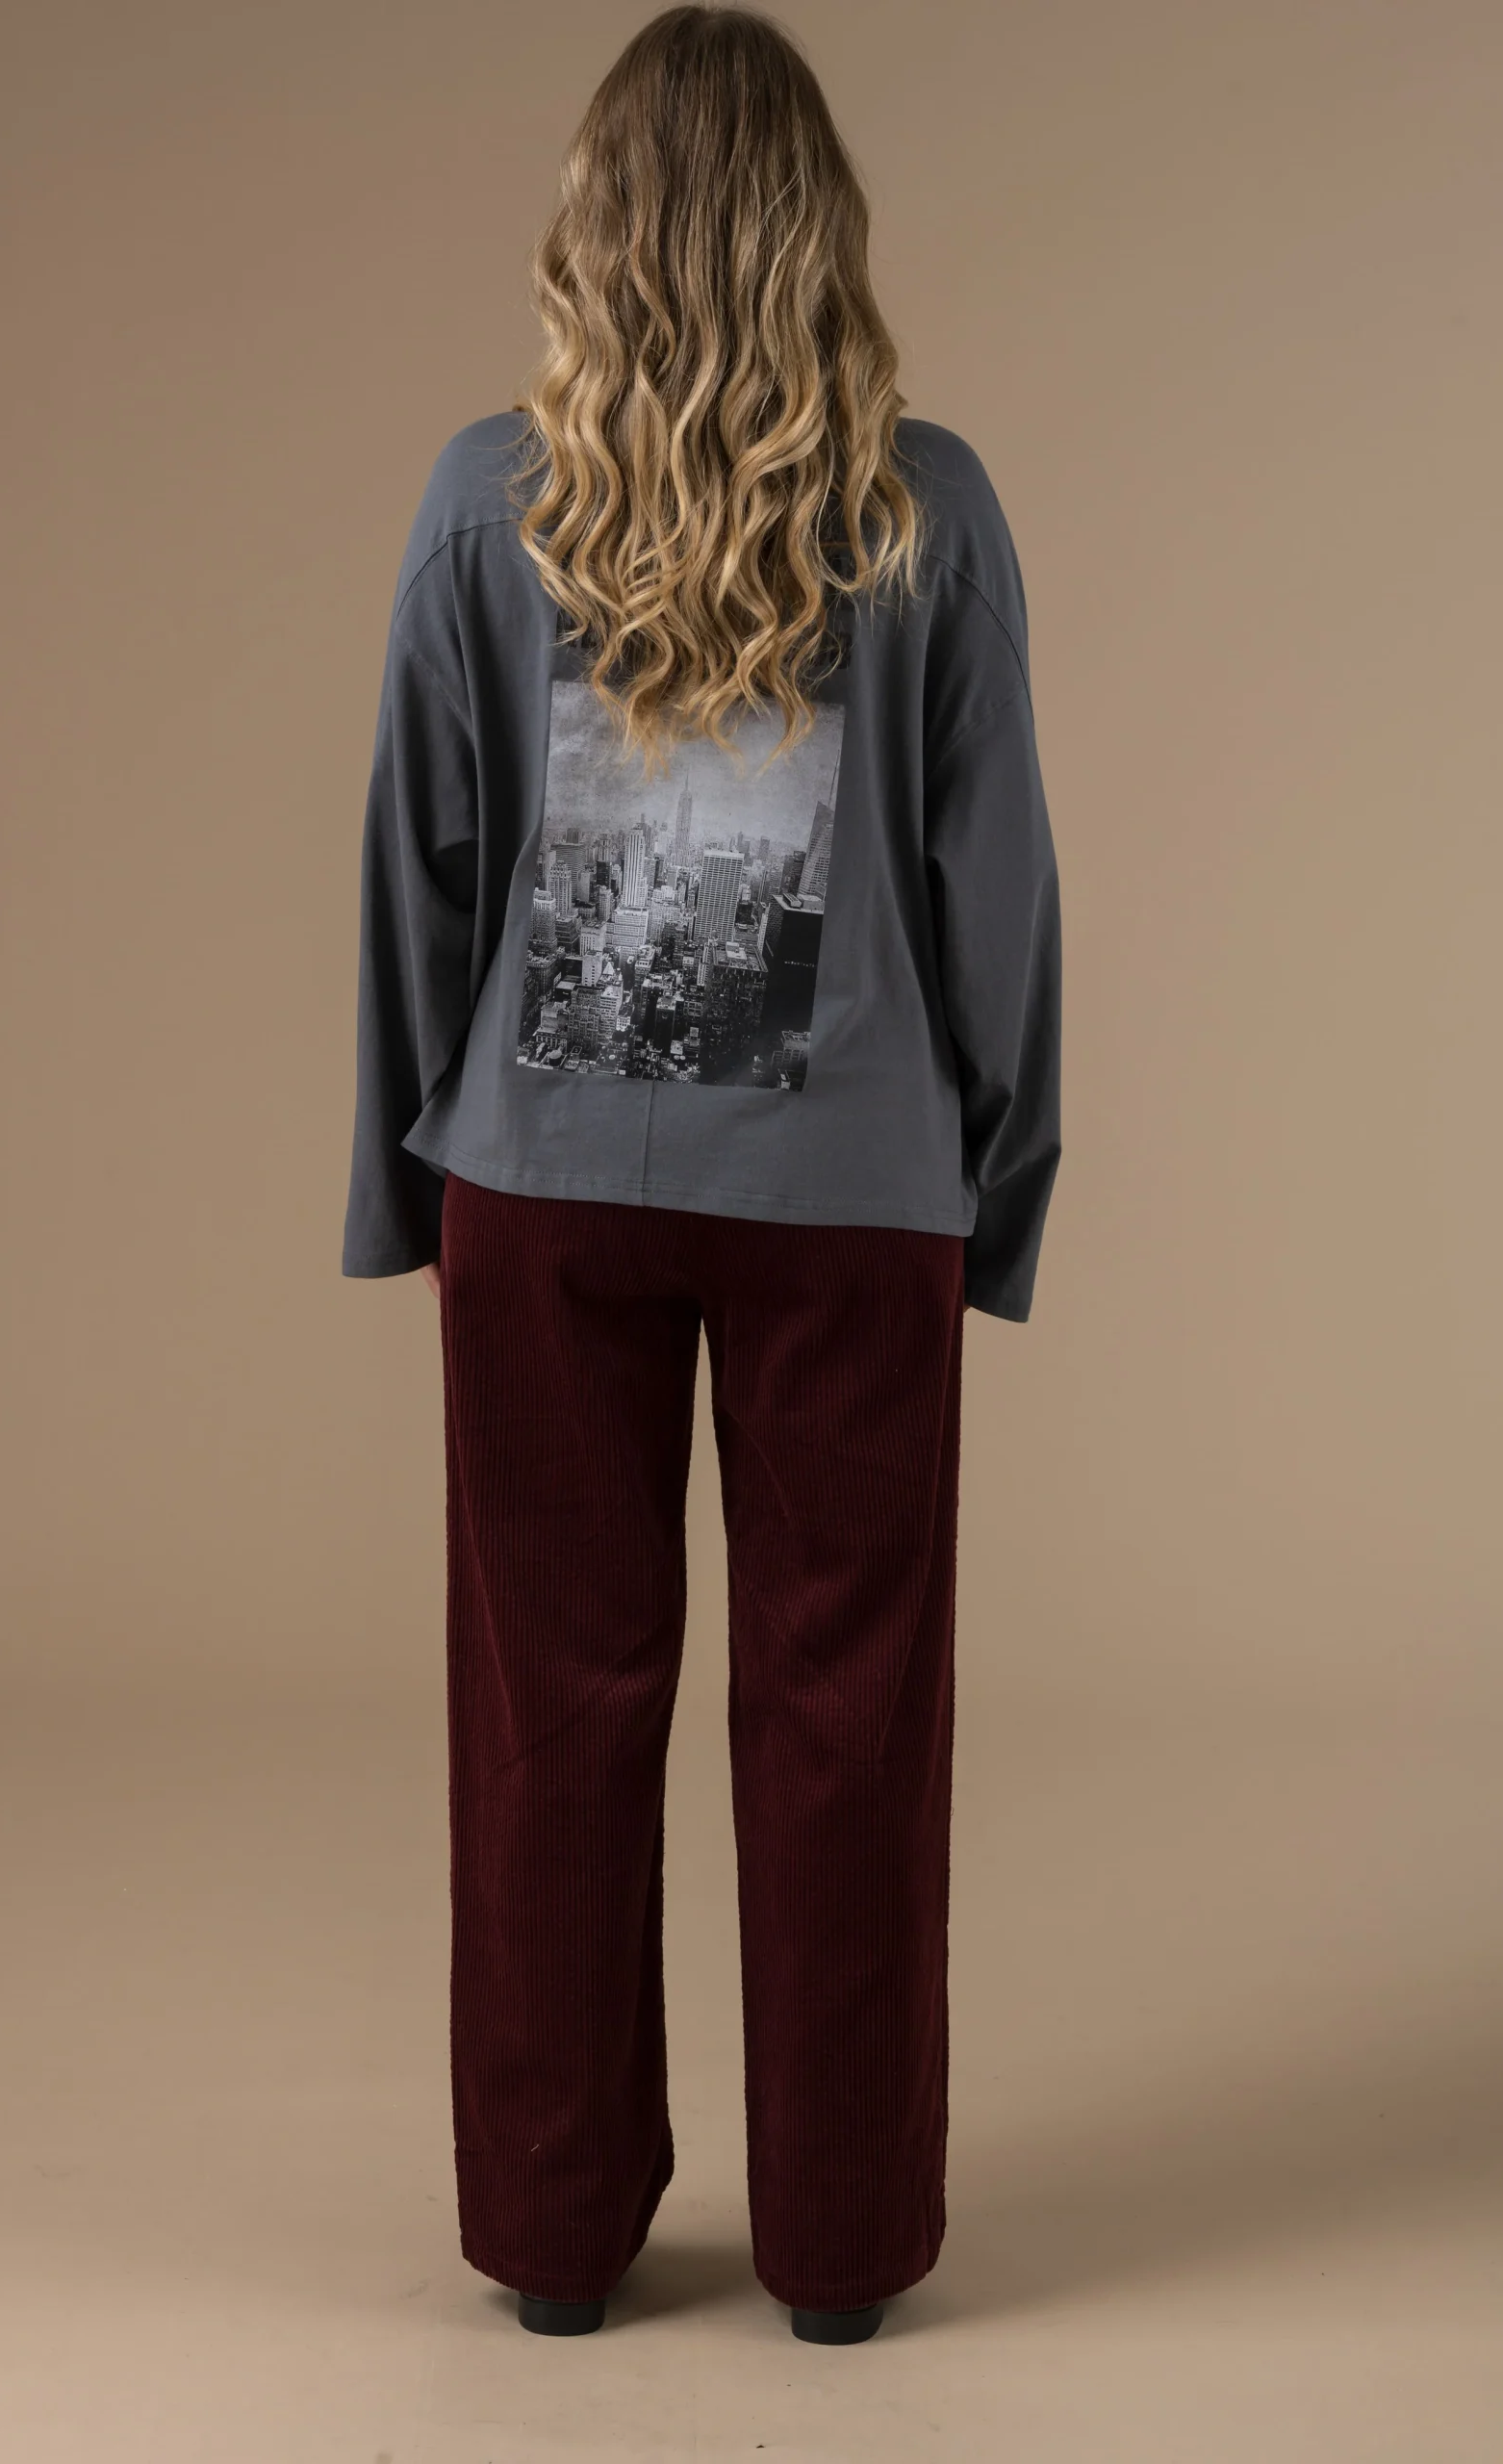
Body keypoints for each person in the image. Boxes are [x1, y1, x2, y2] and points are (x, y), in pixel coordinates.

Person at [343, 5, 1061, 2345]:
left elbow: (420, 868)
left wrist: (409, 1175)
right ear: (817, 233)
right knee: (848, 1715)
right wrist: (993, 1179)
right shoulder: (926, 510)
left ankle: (555, 2239)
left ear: (599, 229)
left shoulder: (487, 502)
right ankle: (840, 2251)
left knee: (550, 1706)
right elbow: (997, 897)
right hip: (853, 1195)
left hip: (540, 1187)